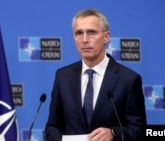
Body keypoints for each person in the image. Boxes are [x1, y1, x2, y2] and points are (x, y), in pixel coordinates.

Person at [45, 8, 147, 141]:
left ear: (106, 37)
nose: (85, 39)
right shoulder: (63, 76)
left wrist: (113, 133)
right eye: (79, 33)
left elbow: (139, 130)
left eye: (91, 32)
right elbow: (52, 128)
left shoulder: (128, 79)